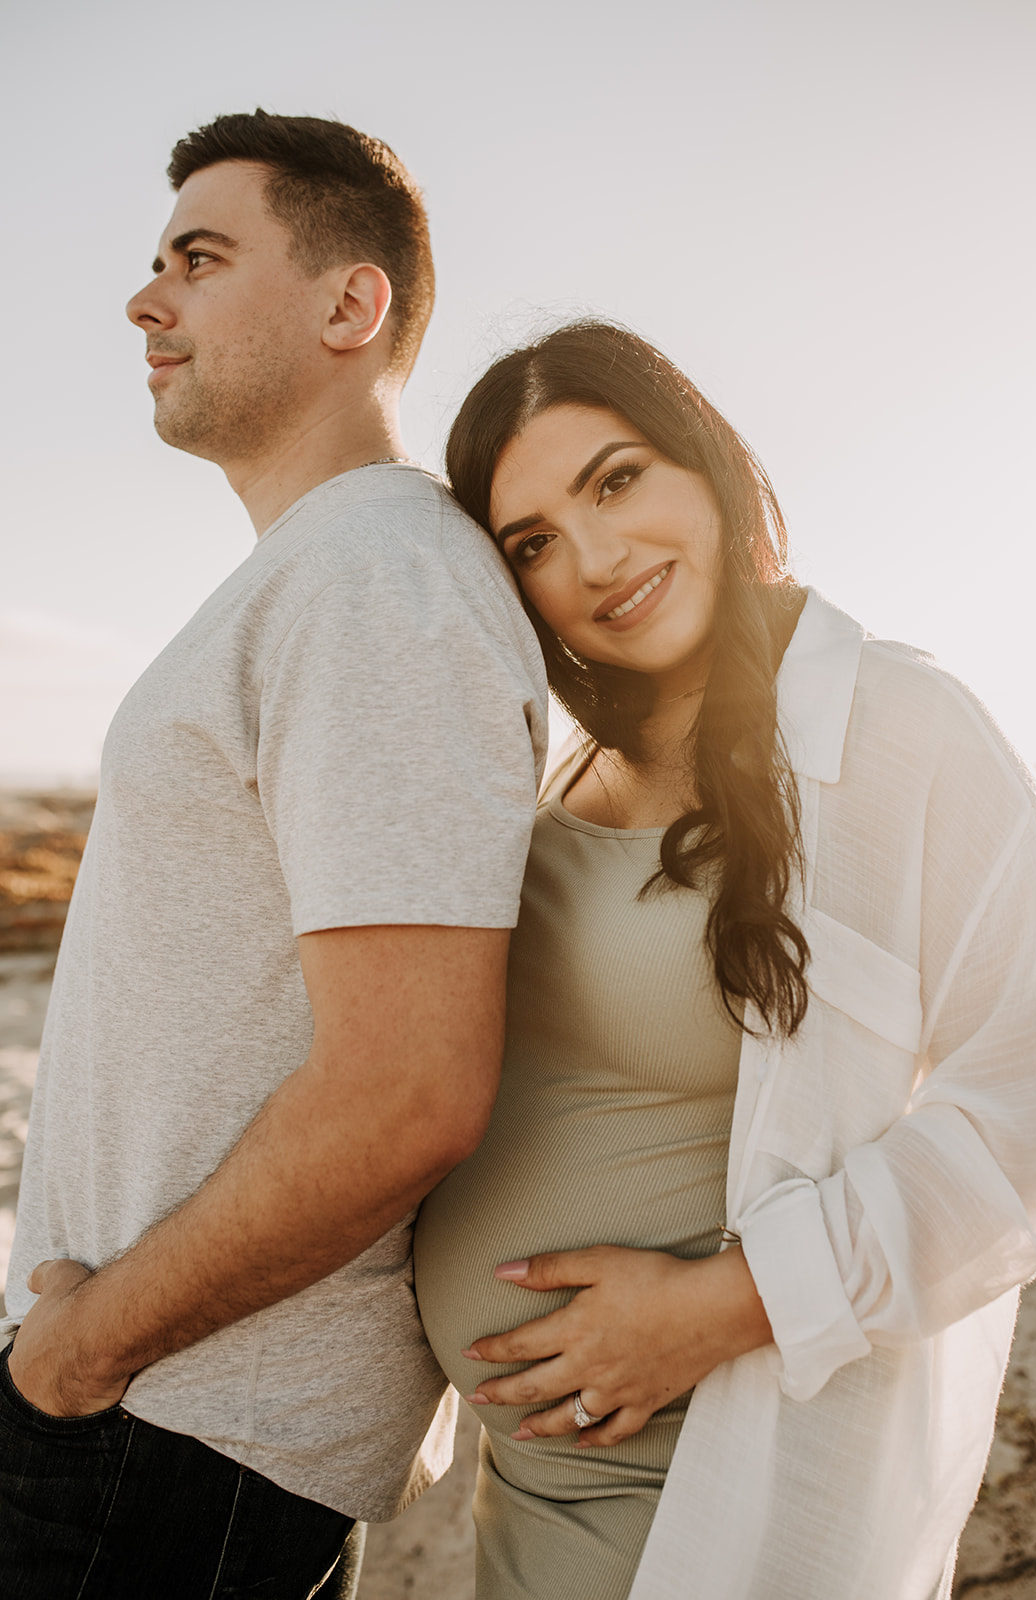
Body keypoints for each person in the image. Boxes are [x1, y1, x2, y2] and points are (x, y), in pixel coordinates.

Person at [414, 320, 1036, 1600]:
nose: (595, 560)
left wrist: (723, 1304)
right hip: (532, 1492)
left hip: (710, 1478)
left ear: (706, 464)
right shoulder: (571, 767)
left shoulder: (894, 726)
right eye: (531, 543)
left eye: (616, 480)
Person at [0, 112, 546, 1599]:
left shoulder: (378, 584)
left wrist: (81, 1350)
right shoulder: (319, 576)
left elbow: (409, 1088)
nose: (143, 301)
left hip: (178, 1431)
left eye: (199, 256)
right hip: (154, 1414)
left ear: (348, 307)